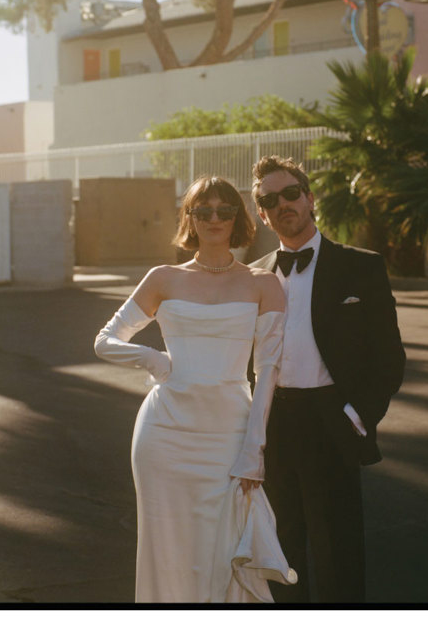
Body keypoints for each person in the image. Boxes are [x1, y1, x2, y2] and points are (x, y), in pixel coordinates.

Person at [94, 175, 297, 603]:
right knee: (165, 550)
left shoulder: (264, 284)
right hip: (164, 434)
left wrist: (253, 450)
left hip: (229, 435)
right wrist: (153, 360)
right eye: (203, 211)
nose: (214, 219)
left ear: (238, 218)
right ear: (190, 218)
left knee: (224, 552)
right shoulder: (162, 278)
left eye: (225, 210)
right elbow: (105, 340)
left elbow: (267, 372)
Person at [250, 155, 405, 603]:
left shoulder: (362, 267)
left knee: (339, 554)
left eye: (291, 193)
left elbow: (388, 358)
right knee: (281, 552)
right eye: (269, 200)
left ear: (310, 198)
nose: (283, 205)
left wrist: (358, 415)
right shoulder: (253, 277)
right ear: (262, 213)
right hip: (272, 423)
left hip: (332, 420)